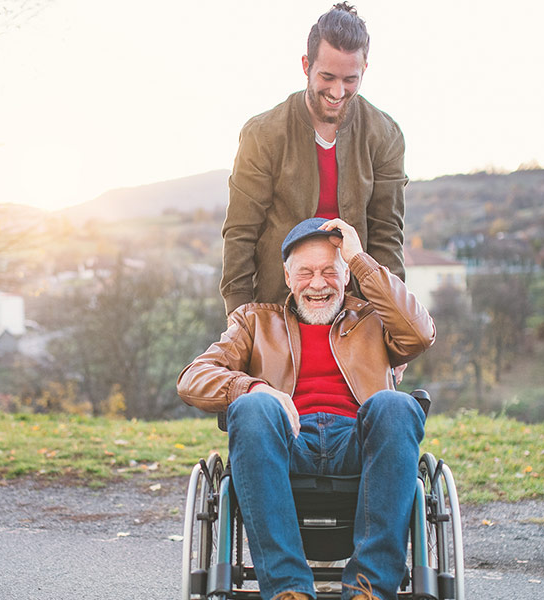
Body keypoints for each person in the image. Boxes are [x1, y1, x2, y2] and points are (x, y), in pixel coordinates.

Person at [178, 217, 435, 600]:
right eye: (307, 272)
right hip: (286, 441)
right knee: (252, 408)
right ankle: (288, 591)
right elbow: (192, 378)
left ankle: (369, 589)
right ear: (287, 274)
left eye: (330, 271)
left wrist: (360, 258)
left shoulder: (372, 319)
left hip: (359, 441)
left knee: (396, 404)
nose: (318, 283)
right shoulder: (254, 321)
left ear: (347, 275)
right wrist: (253, 386)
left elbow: (420, 334)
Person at [220, 2, 408, 319]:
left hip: (355, 315)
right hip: (279, 310)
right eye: (327, 76)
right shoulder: (263, 135)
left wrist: (394, 322)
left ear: (365, 70)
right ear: (306, 65)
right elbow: (240, 235)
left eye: (350, 79)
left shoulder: (385, 135)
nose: (338, 91)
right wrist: (240, 322)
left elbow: (387, 238)